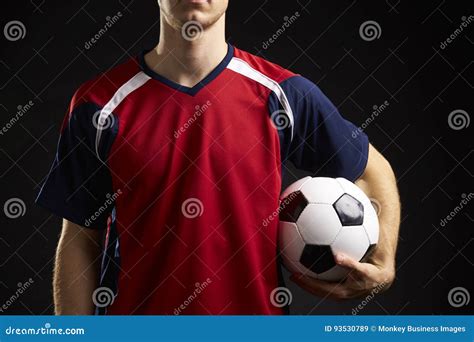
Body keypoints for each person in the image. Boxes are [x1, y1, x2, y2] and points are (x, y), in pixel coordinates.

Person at [36, 0, 400, 315]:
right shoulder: (99, 105)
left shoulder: (284, 95)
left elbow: (373, 170)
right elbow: (81, 237)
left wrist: (383, 261)